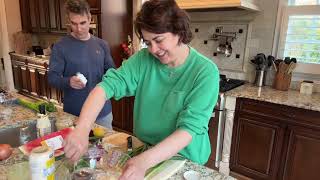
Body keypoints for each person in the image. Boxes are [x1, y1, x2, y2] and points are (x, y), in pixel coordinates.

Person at [63, 0, 219, 179]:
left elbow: (188, 130)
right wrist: (82, 129)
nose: (153, 50)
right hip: (146, 149)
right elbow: (105, 87)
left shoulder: (205, 72)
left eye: (159, 40)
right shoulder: (143, 59)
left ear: (178, 31)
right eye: (147, 42)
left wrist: (144, 161)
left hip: (184, 160)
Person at [48, 0, 115, 129]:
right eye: (74, 23)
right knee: (77, 149)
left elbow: (112, 73)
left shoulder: (102, 45)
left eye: (83, 23)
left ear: (90, 18)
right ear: (69, 21)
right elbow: (52, 78)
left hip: (102, 113)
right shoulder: (60, 46)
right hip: (74, 114)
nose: (78, 29)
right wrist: (68, 82)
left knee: (106, 147)